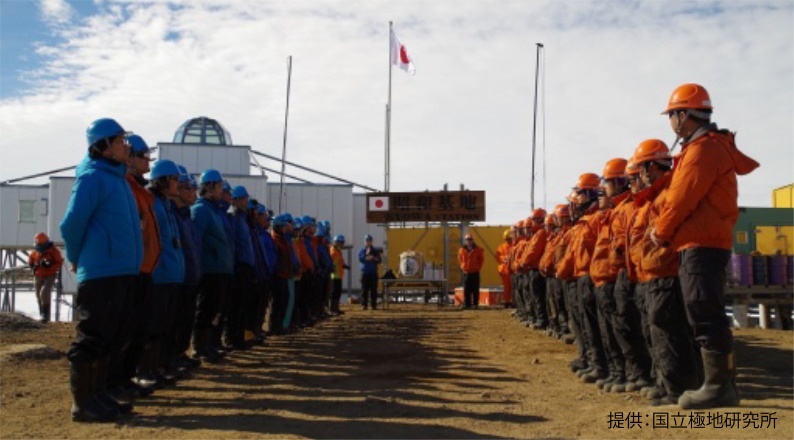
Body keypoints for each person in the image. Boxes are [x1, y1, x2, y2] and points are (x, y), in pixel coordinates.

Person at [653, 84, 758, 410]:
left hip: (703, 244)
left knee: (705, 312)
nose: (670, 121)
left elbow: (682, 198)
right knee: (703, 311)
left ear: (683, 115)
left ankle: (719, 387)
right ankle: (718, 385)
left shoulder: (703, 150)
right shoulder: (700, 148)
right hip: (700, 242)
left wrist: (660, 231)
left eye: (672, 114)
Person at [60, 118, 142, 422]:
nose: (126, 146)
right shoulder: (92, 178)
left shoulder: (118, 180)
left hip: (122, 271)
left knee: (112, 335)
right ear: (104, 146)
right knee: (93, 336)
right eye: (120, 140)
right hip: (101, 272)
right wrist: (76, 256)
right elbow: (71, 224)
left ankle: (99, 394)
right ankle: (83, 403)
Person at [116, 134, 160, 400]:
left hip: (145, 268)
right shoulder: (124, 187)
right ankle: (115, 382)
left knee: (139, 327)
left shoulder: (140, 190)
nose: (148, 162)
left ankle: (125, 378)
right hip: (132, 268)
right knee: (125, 329)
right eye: (145, 157)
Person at [142, 159, 185, 386]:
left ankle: (157, 366)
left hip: (171, 273)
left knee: (166, 324)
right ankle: (148, 368)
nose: (178, 184)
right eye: (176, 180)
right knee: (154, 325)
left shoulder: (165, 205)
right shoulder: (154, 204)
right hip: (159, 274)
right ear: (164, 181)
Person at [190, 169, 233, 362]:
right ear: (209, 187)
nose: (221, 190)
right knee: (206, 308)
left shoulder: (213, 211)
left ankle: (208, 345)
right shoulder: (201, 210)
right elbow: (195, 241)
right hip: (209, 270)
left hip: (219, 269)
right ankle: (200, 347)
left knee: (214, 308)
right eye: (219, 186)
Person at [28, 232, 63, 323]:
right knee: (38, 295)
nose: (37, 244)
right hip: (38, 275)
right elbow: (31, 260)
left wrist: (49, 265)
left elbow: (59, 262)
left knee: (44, 293)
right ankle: (42, 315)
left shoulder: (53, 251)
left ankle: (45, 316)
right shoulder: (35, 251)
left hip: (49, 275)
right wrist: (32, 265)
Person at [458, 233, 485, 309]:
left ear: (473, 240)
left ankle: (475, 304)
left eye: (470, 239)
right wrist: (463, 266)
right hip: (466, 272)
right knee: (466, 289)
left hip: (475, 272)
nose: (469, 241)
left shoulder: (478, 249)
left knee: (475, 289)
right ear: (465, 240)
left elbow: (481, 260)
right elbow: (460, 259)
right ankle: (467, 304)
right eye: (467, 239)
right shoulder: (462, 250)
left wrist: (477, 267)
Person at [358, 234, 382, 310]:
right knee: (364, 290)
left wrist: (373, 258)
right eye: (367, 241)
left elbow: (379, 260)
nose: (368, 242)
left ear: (372, 242)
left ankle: (373, 305)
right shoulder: (362, 250)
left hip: (373, 273)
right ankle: (364, 305)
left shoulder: (375, 251)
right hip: (365, 272)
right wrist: (367, 255)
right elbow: (361, 258)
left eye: (369, 241)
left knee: (374, 290)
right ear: (364, 242)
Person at [330, 234, 349, 315]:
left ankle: (336, 308)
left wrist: (344, 266)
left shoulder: (338, 251)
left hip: (339, 275)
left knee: (338, 292)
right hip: (334, 276)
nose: (343, 244)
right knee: (335, 292)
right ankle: (333, 309)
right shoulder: (333, 252)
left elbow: (339, 262)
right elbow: (331, 263)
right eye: (342, 243)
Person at [495, 230, 513, 308]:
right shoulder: (501, 247)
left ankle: (513, 301)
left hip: (512, 270)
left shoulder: (515, 245)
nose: (508, 240)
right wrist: (504, 258)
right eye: (507, 239)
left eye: (509, 239)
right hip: (504, 270)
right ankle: (506, 301)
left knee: (513, 287)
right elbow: (498, 256)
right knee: (506, 287)